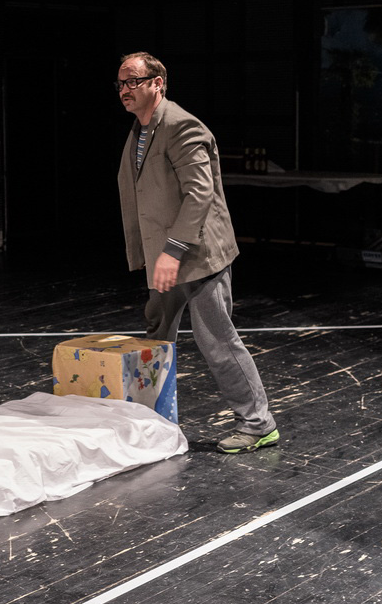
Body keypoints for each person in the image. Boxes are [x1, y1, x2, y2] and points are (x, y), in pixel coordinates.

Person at [114, 52, 279, 453]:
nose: (124, 90)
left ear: (158, 83)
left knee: (216, 339)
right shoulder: (140, 131)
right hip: (165, 258)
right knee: (157, 333)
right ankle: (153, 419)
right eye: (120, 83)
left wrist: (172, 250)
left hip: (199, 255)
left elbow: (200, 193)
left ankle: (258, 424)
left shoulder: (181, 125)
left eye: (133, 81)